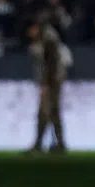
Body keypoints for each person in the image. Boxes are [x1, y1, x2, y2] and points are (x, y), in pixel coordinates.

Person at [27, 14, 67, 153]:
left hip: (52, 80)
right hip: (53, 79)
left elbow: (50, 64)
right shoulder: (46, 36)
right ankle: (56, 143)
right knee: (49, 112)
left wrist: (45, 84)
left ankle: (48, 144)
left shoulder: (48, 39)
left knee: (48, 112)